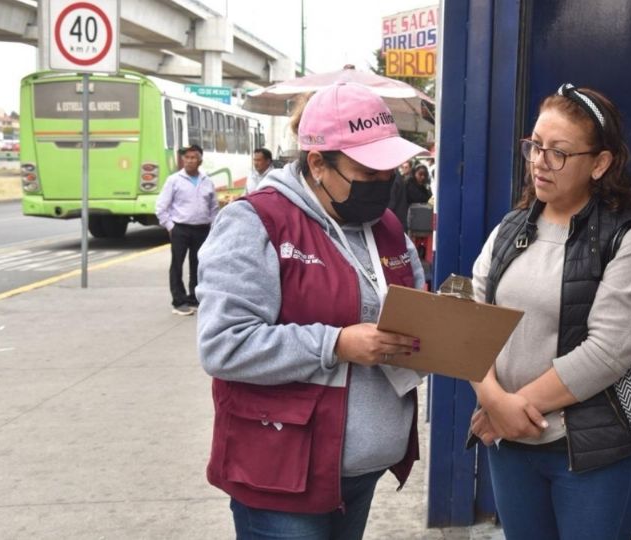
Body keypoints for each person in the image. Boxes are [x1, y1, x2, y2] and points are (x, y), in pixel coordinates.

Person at [195, 82, 428, 539]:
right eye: (368, 171)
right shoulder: (256, 222)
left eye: (389, 170)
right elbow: (224, 344)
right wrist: (336, 343)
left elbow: (413, 302)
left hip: (362, 468)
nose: (384, 183)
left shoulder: (385, 226)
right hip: (282, 471)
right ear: (318, 163)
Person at [468, 83, 631, 540]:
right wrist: (491, 397)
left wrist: (512, 407)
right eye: (535, 146)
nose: (540, 162)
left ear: (599, 164)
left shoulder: (629, 240)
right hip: (511, 449)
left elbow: (607, 351)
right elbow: (471, 316)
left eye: (558, 152)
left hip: (591, 457)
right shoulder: (511, 228)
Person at [155, 144, 217, 316]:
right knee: (177, 265)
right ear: (183, 160)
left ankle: (194, 298)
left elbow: (213, 207)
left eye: (193, 158)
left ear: (200, 160)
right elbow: (161, 207)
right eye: (187, 158)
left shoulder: (207, 180)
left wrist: (212, 226)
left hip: (202, 229)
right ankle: (178, 301)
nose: (189, 161)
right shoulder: (174, 180)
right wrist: (170, 226)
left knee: (198, 265)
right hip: (180, 228)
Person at [387, 159, 412, 225]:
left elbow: (391, 204)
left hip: (394, 220)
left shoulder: (393, 178)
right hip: (399, 218)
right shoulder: (396, 176)